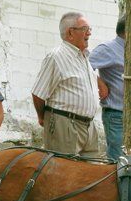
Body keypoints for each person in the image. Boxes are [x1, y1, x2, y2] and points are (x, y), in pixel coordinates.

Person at [32, 12, 101, 157]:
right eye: (85, 28)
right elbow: (38, 93)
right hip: (65, 124)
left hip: (88, 126)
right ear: (71, 32)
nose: (89, 33)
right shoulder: (56, 57)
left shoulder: (84, 57)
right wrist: (44, 118)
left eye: (89, 29)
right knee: (63, 174)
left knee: (92, 174)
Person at [89, 15, 126, 160]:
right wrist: (99, 83)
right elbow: (82, 65)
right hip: (116, 115)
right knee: (118, 161)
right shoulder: (108, 49)